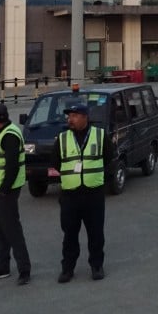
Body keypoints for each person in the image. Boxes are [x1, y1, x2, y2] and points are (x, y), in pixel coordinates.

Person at [50, 100, 115, 283]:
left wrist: (95, 175)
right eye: (69, 116)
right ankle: (67, 269)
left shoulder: (100, 136)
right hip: (70, 195)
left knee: (96, 233)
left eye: (74, 116)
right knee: (69, 234)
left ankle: (96, 266)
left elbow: (110, 157)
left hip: (93, 194)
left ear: (85, 117)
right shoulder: (62, 138)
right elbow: (55, 161)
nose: (70, 119)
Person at [0, 102, 32, 285]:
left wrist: (4, 189)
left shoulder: (9, 135)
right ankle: (2, 266)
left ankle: (24, 269)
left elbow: (11, 166)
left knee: (11, 230)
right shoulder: (3, 131)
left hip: (5, 191)